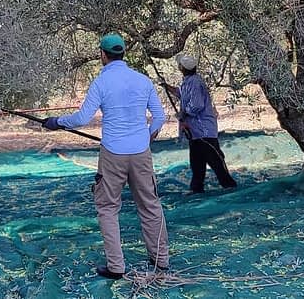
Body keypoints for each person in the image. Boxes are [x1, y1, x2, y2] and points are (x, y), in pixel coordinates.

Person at [44, 33, 169, 279]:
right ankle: (161, 260)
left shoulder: (101, 83)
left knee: (108, 208)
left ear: (103, 55)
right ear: (123, 53)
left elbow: (81, 118)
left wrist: (56, 122)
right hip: (141, 152)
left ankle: (116, 266)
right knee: (150, 205)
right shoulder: (143, 81)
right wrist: (148, 135)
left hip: (112, 153)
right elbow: (160, 116)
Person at [165, 54, 237, 194]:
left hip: (204, 132)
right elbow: (181, 93)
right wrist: (168, 87)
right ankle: (197, 190)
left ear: (182, 68)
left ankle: (230, 188)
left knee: (217, 164)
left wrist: (183, 114)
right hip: (195, 133)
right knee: (197, 166)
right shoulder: (188, 82)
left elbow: (196, 105)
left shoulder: (196, 83)